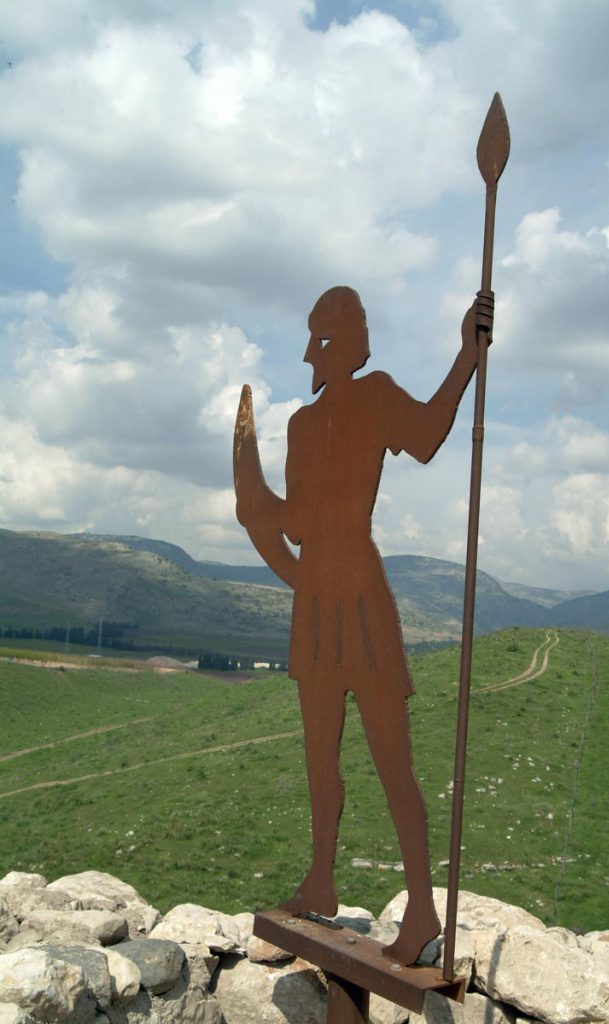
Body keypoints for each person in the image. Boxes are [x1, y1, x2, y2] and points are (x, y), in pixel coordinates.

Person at [234, 285, 490, 965]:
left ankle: (423, 911)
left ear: (349, 342)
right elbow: (296, 522)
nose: (309, 353)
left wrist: (466, 354)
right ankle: (320, 876)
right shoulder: (297, 425)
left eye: (321, 339)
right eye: (311, 338)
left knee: (391, 759)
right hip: (315, 602)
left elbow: (431, 434)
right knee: (319, 753)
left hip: (360, 599)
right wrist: (255, 506)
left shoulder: (375, 396)